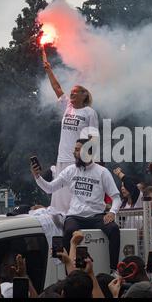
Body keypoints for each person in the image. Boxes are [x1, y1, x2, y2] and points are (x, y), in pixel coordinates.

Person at [32, 138, 122, 270]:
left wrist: (112, 212)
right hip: (75, 216)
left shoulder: (102, 172)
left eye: (77, 149)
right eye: (75, 149)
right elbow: (49, 188)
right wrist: (37, 177)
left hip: (96, 216)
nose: (74, 152)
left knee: (114, 229)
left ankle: (113, 269)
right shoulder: (70, 170)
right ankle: (69, 272)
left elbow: (116, 198)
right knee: (68, 231)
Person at [43, 50, 99, 215]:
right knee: (59, 199)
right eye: (71, 91)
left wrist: (90, 162)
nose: (71, 93)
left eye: (76, 91)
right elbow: (57, 87)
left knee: (75, 199)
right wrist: (48, 70)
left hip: (78, 161)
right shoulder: (67, 107)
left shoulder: (89, 112)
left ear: (84, 95)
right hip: (62, 159)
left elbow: (93, 140)